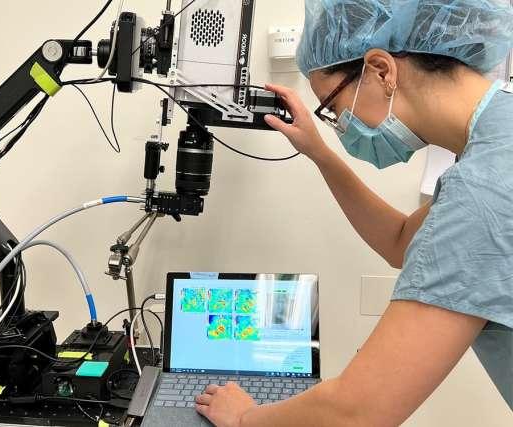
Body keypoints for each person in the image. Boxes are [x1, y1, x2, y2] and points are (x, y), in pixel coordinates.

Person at [194, 1, 513, 426]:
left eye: (332, 105)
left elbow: (358, 413)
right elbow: (402, 242)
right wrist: (320, 154)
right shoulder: (497, 142)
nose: (340, 124)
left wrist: (243, 417)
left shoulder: (484, 188)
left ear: (381, 70)